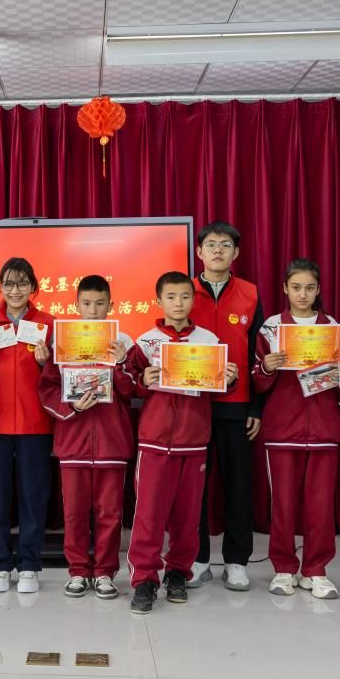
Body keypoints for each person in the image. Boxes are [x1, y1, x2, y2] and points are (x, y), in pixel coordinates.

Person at [126, 271, 238, 614]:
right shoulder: (145, 342)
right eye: (171, 297)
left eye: (185, 296)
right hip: (155, 441)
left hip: (194, 440)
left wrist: (229, 378)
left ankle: (178, 572)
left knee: (188, 517)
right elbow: (130, 386)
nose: (178, 303)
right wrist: (142, 380)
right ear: (159, 301)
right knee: (148, 515)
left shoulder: (208, 340)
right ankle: (144, 579)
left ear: (193, 300)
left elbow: (219, 387)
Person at [37, 275, 135, 600]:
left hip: (112, 442)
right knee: (74, 513)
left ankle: (105, 572)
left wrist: (121, 362)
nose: (93, 310)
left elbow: (133, 390)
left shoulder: (124, 342)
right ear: (77, 305)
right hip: (73, 442)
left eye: (100, 303)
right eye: (87, 304)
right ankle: (78, 570)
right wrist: (72, 407)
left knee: (110, 513)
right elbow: (48, 388)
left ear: (111, 305)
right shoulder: (63, 341)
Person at [254, 258, 340, 600]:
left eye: (309, 288)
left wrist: (337, 370)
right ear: (285, 289)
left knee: (320, 505)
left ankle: (316, 570)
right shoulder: (271, 328)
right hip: (282, 428)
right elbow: (257, 381)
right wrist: (267, 366)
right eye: (296, 287)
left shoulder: (331, 327)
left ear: (318, 289)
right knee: (283, 503)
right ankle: (283, 568)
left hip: (324, 428)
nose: (302, 294)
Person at [188, 221, 264, 591]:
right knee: (194, 487)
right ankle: (197, 558)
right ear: (199, 251)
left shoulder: (250, 293)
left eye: (225, 245)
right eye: (211, 244)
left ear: (236, 253)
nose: (218, 250)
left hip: (237, 406)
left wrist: (256, 408)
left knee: (238, 486)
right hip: (194, 405)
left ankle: (236, 560)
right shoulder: (184, 292)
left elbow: (257, 354)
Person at [0, 258, 55, 594]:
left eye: (23, 283)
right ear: (0, 287)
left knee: (33, 497)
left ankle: (29, 565)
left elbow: (60, 376)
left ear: (33, 287)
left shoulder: (48, 324)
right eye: (8, 284)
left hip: (35, 422)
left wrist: (45, 362)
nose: (15, 290)